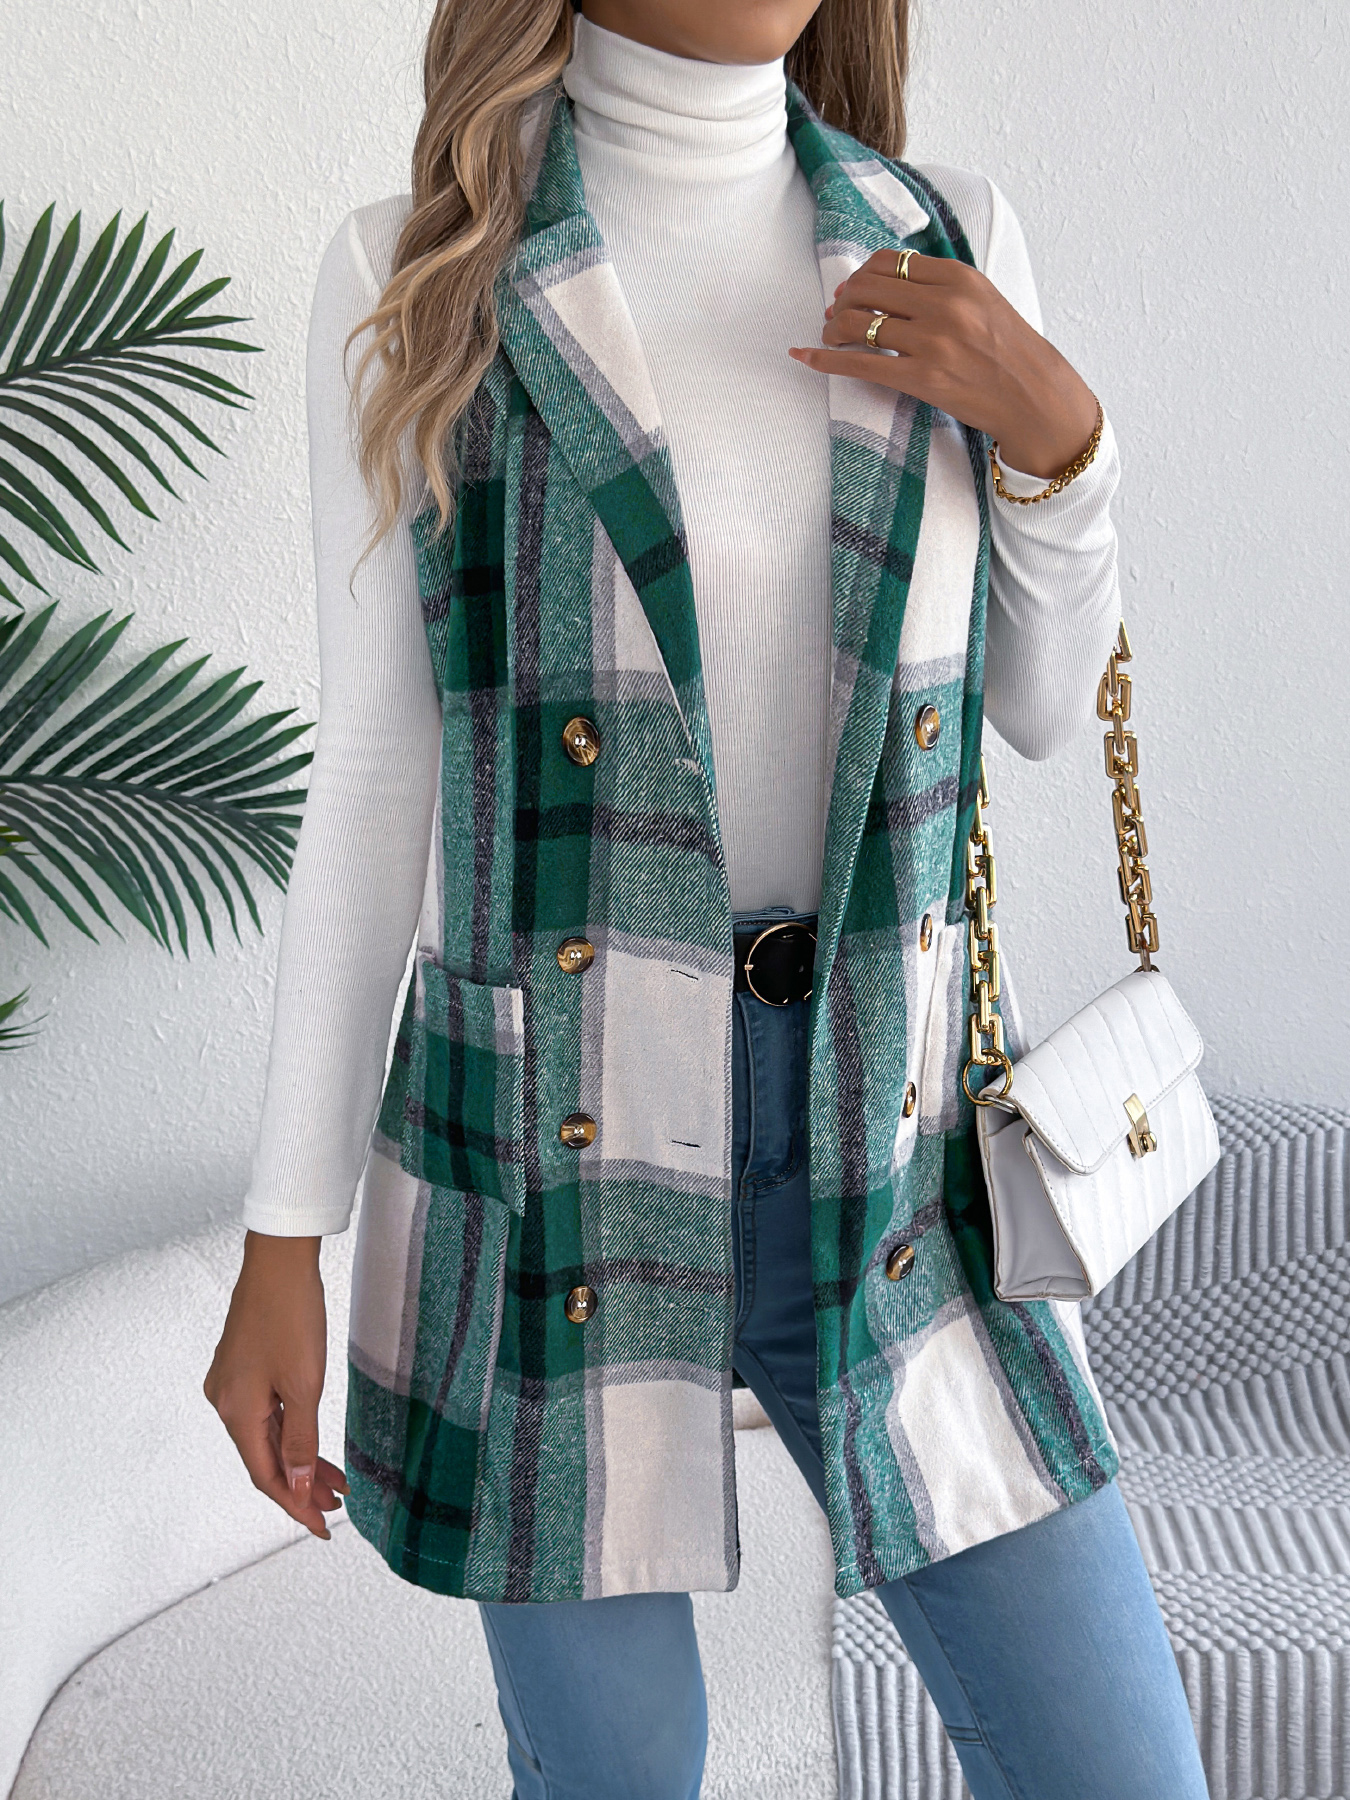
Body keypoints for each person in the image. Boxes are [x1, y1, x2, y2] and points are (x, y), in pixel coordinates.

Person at [204, 2, 1212, 1795]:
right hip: (551, 1157)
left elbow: (1042, 708)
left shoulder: (945, 236)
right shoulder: (420, 278)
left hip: (890, 1142)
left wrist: (1064, 445)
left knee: (1118, 1766)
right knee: (616, 1776)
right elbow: (373, 770)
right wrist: (287, 1236)